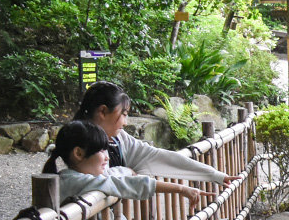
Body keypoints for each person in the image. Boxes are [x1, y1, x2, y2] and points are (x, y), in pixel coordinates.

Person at [73, 80, 237, 185]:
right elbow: (97, 179)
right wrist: (127, 172)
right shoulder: (77, 140)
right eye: (123, 114)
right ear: (103, 111)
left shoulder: (119, 139)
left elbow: (160, 157)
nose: (126, 122)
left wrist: (213, 174)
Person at [42, 121, 213, 206]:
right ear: (78, 153)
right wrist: (181, 189)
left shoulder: (77, 177)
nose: (107, 157)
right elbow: (121, 183)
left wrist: (127, 170)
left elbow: (115, 174)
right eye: (101, 151)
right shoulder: (73, 181)